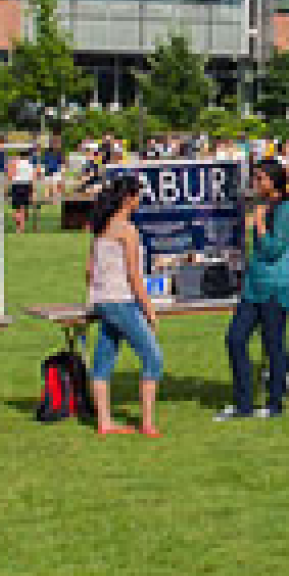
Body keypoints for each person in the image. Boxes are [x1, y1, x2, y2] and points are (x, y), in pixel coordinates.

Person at [218, 160, 289, 421]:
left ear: (274, 181)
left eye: (260, 178)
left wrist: (260, 224)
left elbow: (273, 249)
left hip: (276, 287)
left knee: (273, 344)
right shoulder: (263, 207)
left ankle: (274, 404)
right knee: (235, 339)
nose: (256, 183)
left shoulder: (287, 210)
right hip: (254, 287)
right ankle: (243, 403)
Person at [85, 176, 163, 437]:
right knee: (153, 358)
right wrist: (149, 309)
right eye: (138, 195)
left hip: (102, 301)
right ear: (129, 198)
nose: (140, 201)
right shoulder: (127, 230)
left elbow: (88, 270)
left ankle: (104, 422)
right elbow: (134, 275)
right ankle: (148, 423)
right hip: (121, 301)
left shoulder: (101, 227)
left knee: (103, 362)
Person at [8, 152, 36, 233]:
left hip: (17, 185)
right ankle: (21, 228)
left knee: (16, 209)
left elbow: (10, 176)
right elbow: (33, 177)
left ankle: (18, 227)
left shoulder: (15, 163)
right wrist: (32, 190)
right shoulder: (30, 164)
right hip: (26, 185)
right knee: (23, 209)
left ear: (19, 156)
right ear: (27, 156)